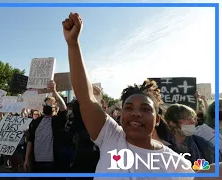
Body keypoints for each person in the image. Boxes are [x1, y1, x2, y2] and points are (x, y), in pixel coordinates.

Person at [62, 12, 194, 179]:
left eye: (145, 109)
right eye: (129, 107)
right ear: (121, 114)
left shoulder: (178, 166)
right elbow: (86, 96)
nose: (136, 113)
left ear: (157, 119)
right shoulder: (110, 136)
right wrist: (73, 44)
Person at [24, 80, 68, 179]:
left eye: (50, 105)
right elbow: (30, 141)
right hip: (37, 163)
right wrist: (27, 159)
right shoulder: (36, 122)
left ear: (54, 107)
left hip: (54, 164)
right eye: (45, 105)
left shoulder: (57, 121)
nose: (47, 106)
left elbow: (64, 108)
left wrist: (54, 91)